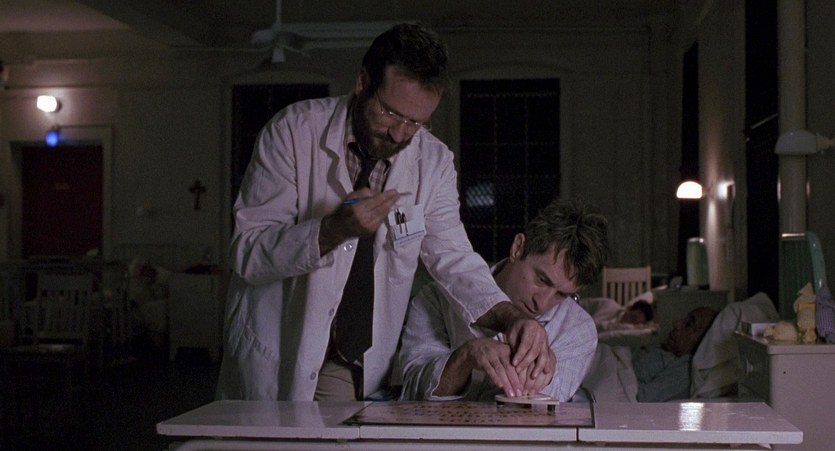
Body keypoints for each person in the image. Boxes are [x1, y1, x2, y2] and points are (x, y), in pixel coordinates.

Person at [216, 22, 552, 402]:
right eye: (391, 113)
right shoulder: (293, 132)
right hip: (281, 348)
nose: (400, 134)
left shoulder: (433, 163)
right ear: (362, 82)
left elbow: (455, 260)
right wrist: (332, 230)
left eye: (416, 122)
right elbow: (248, 252)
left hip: (353, 363)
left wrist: (513, 318)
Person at [399, 197, 610, 402]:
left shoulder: (578, 329)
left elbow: (546, 411)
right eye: (542, 279)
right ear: (518, 248)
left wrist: (545, 375)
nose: (542, 303)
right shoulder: (435, 298)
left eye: (561, 294)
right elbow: (412, 393)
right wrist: (466, 357)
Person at [631, 306, 717, 401]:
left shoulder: (686, 370)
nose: (676, 323)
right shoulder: (666, 350)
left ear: (703, 342)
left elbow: (642, 397)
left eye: (689, 324)